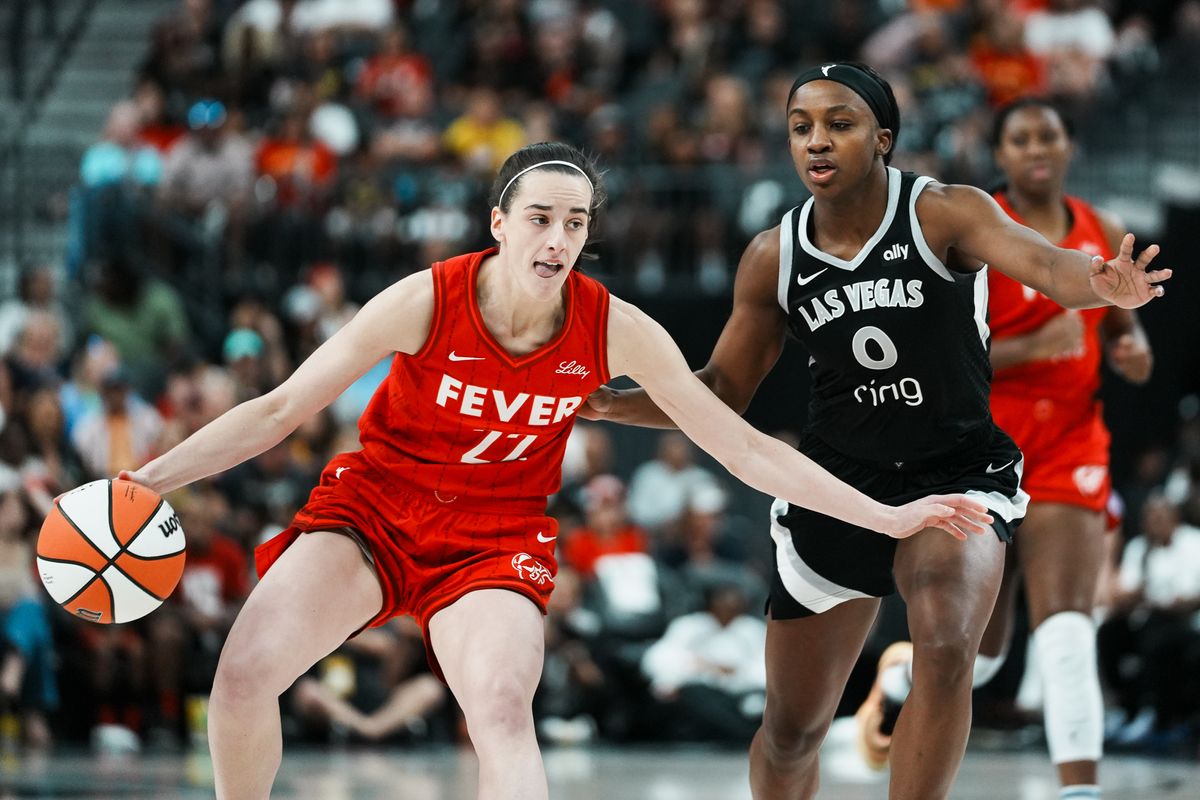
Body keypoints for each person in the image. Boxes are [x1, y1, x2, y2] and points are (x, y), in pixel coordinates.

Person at [117, 141, 991, 800]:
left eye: (576, 222)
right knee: (241, 677)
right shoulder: (428, 297)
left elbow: (746, 447)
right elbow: (277, 411)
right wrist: (151, 480)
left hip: (494, 539)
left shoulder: (614, 326)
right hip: (375, 511)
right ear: (499, 224)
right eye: (540, 216)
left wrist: (886, 517)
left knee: (499, 710)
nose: (559, 236)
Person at [582, 63, 1169, 800]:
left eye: (840, 124)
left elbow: (1046, 265)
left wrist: (1099, 284)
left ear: (883, 138)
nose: (817, 142)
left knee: (948, 644)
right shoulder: (774, 255)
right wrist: (609, 404)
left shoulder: (943, 213)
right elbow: (720, 390)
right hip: (837, 487)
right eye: (802, 128)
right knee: (793, 730)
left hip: (954, 470)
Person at [969, 97, 1151, 800]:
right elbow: (936, 351)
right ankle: (894, 693)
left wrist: (1132, 348)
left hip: (1073, 441)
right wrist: (1027, 347)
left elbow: (1124, 331)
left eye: (1049, 133)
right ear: (1002, 153)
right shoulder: (971, 226)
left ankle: (1080, 791)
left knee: (1069, 631)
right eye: (1020, 137)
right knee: (979, 653)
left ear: (1069, 144)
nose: (1036, 146)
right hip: (984, 449)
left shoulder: (1098, 226)